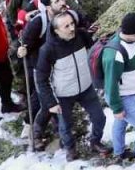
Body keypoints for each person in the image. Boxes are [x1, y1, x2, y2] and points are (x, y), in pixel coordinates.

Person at [18, 0, 95, 148]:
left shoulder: (69, 16)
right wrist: (22, 49)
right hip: (42, 65)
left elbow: (83, 22)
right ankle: (35, 133)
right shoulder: (39, 21)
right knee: (46, 102)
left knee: (57, 101)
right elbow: (24, 42)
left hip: (64, 65)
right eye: (57, 1)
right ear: (48, 7)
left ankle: (59, 131)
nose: (62, 3)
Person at [35, 11, 110, 160]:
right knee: (65, 125)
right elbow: (41, 79)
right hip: (64, 93)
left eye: (72, 24)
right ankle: (70, 148)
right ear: (56, 31)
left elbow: (95, 51)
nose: (71, 28)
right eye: (66, 26)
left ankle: (95, 141)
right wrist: (51, 103)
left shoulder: (81, 36)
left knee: (99, 118)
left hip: (86, 87)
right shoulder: (48, 50)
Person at [104, 12, 135, 164]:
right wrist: (117, 108)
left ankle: (119, 152)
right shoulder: (115, 54)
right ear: (129, 33)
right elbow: (110, 84)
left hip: (132, 91)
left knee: (121, 123)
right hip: (122, 96)